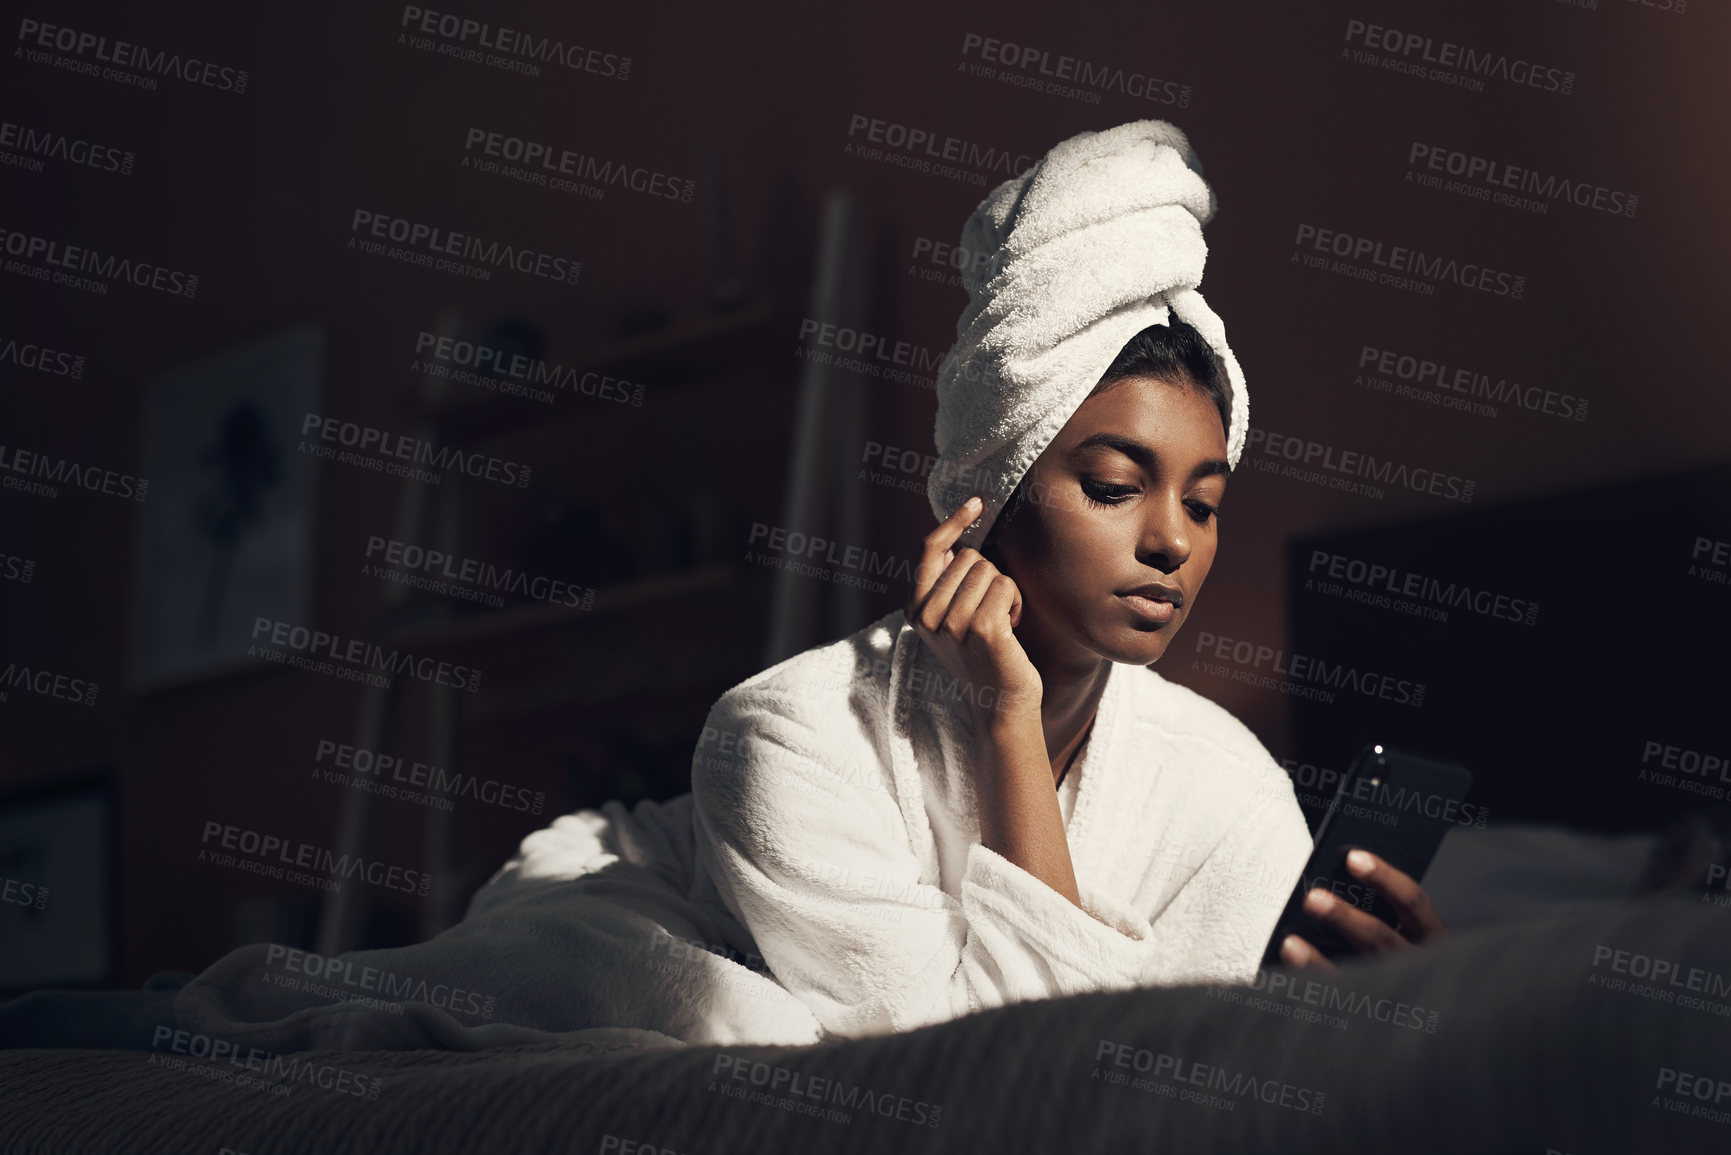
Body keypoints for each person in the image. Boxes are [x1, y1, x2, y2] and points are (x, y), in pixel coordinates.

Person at [688, 119, 1449, 1041]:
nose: (1172, 538)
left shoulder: (1228, 788)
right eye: (1114, 487)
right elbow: (1012, 1083)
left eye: (1204, 504)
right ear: (989, 494)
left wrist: (1389, 1029)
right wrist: (1006, 719)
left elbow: (1203, 1101)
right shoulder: (789, 739)